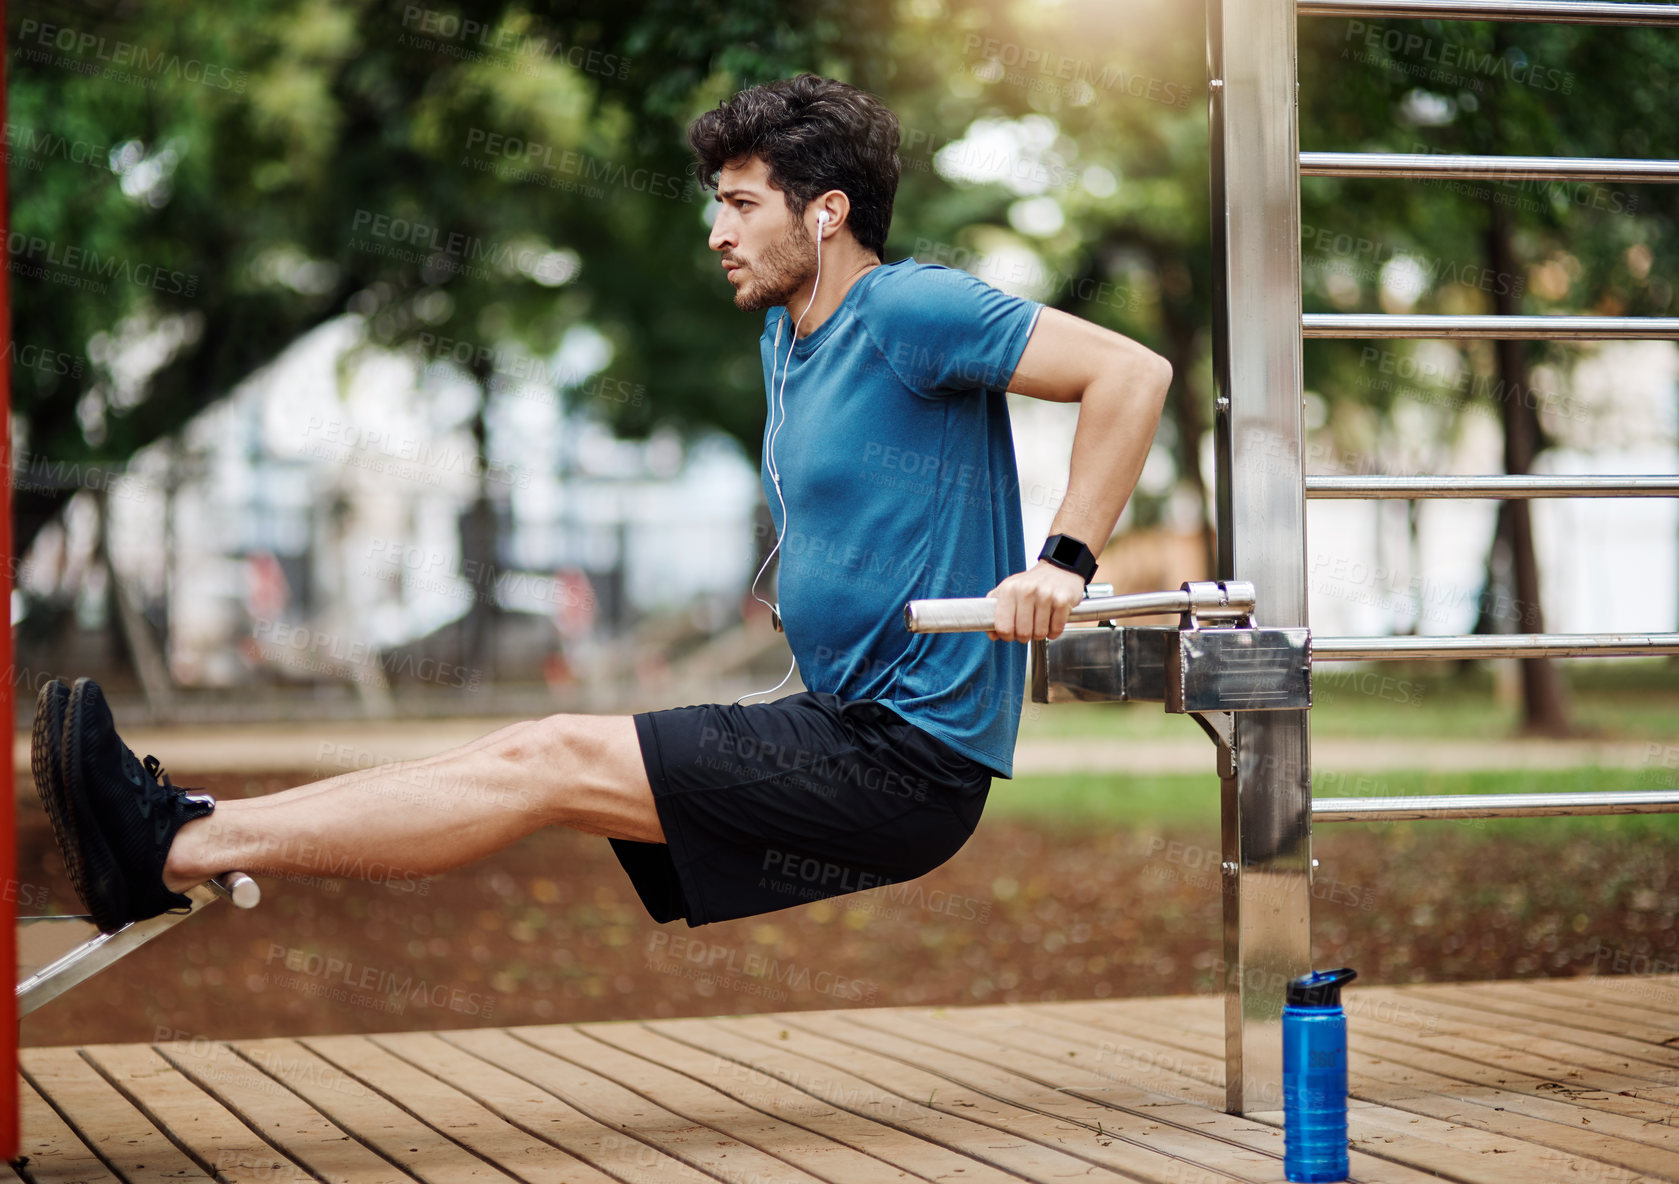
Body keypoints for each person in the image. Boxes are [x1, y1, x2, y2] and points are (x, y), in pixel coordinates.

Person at [32, 73, 1171, 937]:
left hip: (904, 760)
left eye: (738, 204)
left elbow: (1130, 374)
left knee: (547, 759)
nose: (714, 232)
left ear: (824, 214)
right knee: (530, 757)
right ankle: (185, 821)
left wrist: (1060, 562)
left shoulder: (909, 305)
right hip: (844, 724)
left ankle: (170, 843)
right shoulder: (787, 335)